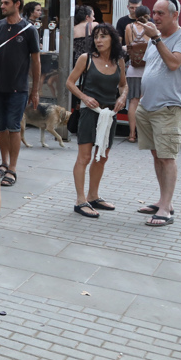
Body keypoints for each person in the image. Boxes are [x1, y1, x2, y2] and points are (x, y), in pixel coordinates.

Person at [134, 0, 181, 227]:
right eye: (154, 13)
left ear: (175, 15)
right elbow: (150, 66)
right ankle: (163, 201)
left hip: (169, 107)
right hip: (147, 105)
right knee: (156, 155)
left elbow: (173, 64)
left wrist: (156, 38)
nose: (155, 17)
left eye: (161, 13)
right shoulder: (153, 37)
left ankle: (166, 210)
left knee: (167, 158)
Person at [66, 24, 127, 219]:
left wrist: (122, 97)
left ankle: (93, 196)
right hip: (89, 113)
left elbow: (124, 85)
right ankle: (80, 200)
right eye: (96, 37)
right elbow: (69, 82)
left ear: (112, 39)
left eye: (103, 36)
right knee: (84, 157)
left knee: (102, 157)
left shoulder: (119, 61)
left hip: (109, 115)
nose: (99, 40)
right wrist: (84, 97)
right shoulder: (87, 59)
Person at [0, 0, 41, 187]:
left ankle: (13, 168)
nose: (2, 6)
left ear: (17, 4)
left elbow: (36, 61)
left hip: (19, 87)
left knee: (14, 127)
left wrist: (35, 90)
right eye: (1, 2)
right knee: (1, 126)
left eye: (6, 3)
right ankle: (4, 162)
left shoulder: (29, 29)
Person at [124, 5, 151, 143]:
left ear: (135, 15)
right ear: (148, 14)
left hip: (133, 69)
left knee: (133, 102)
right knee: (146, 102)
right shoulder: (151, 28)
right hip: (149, 69)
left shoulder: (129, 27)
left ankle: (132, 134)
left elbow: (128, 47)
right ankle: (144, 135)